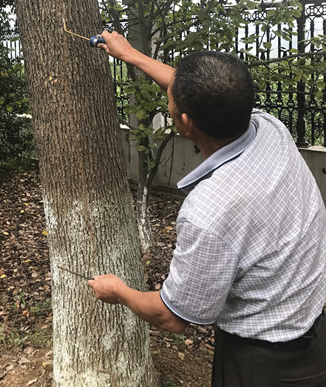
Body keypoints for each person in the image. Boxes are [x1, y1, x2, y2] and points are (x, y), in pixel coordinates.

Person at [87, 31, 326, 387]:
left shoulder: (210, 210)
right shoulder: (269, 128)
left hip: (262, 364)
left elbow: (172, 316)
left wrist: (118, 291)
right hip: (313, 331)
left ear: (185, 123)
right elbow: (193, 90)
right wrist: (130, 55)